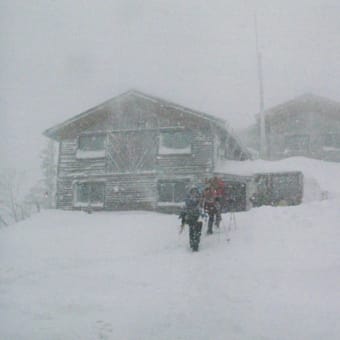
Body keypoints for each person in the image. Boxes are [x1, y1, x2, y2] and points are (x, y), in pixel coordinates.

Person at [179, 186, 203, 251]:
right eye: (193, 192)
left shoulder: (199, 199)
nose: (194, 193)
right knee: (192, 230)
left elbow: (201, 208)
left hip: (197, 218)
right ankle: (192, 242)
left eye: (195, 192)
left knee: (197, 231)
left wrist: (203, 213)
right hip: (190, 217)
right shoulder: (188, 199)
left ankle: (196, 243)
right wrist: (183, 215)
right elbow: (184, 208)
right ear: (190, 192)